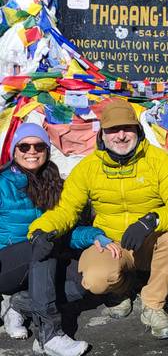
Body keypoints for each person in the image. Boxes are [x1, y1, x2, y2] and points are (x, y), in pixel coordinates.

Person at [28, 99, 168, 340]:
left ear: (138, 131)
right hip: (112, 245)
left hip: (149, 242)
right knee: (95, 279)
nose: (120, 135)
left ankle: (152, 305)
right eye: (112, 130)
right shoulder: (88, 168)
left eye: (127, 128)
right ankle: (122, 289)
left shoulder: (159, 161)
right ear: (102, 135)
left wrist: (152, 221)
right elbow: (66, 209)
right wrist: (42, 228)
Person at [0, 123, 101, 356]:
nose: (31, 151)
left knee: (85, 278)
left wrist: (94, 236)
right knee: (43, 243)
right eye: (24, 146)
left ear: (47, 150)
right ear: (14, 151)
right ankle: (49, 335)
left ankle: (19, 305)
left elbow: (66, 229)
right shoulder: (3, 184)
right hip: (8, 266)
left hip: (41, 265)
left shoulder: (56, 183)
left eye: (39, 146)